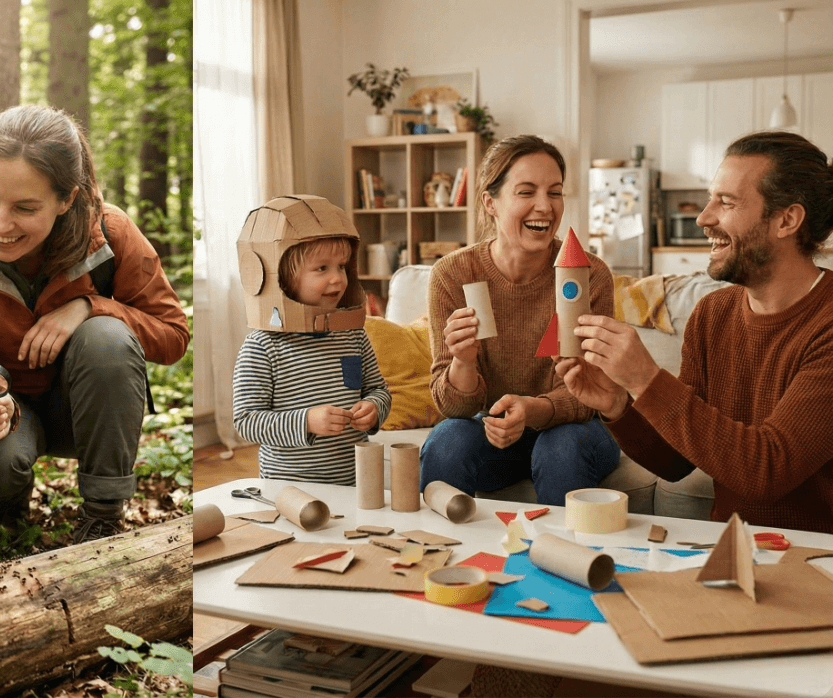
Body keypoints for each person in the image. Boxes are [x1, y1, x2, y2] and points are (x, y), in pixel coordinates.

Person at [0, 105, 189, 543]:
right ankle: (9, 495)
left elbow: (173, 336)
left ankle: (103, 515)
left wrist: (90, 306)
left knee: (106, 337)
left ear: (67, 199)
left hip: (83, 409)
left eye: (25, 207)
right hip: (11, 409)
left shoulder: (110, 234)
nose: (1, 224)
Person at [559, 131, 833, 533]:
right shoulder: (713, 314)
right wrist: (618, 403)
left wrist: (646, 379)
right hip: (729, 545)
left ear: (787, 220)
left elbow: (767, 470)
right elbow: (676, 461)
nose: (704, 218)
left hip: (814, 554)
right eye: (710, 199)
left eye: (727, 202)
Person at [419, 135, 620, 506]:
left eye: (555, 192)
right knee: (448, 440)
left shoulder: (587, 275)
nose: (545, 206)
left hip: (573, 431)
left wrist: (532, 410)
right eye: (526, 192)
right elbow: (454, 409)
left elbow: (591, 395)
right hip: (494, 431)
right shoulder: (453, 274)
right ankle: (440, 540)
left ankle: (564, 545)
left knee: (560, 447)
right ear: (490, 202)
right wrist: (463, 362)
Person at [232, 226, 392, 486]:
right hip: (288, 487)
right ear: (284, 279)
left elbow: (378, 390)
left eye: (342, 266)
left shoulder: (353, 335)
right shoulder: (262, 346)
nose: (337, 278)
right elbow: (246, 421)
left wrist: (374, 408)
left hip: (353, 482)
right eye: (322, 268)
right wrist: (306, 422)